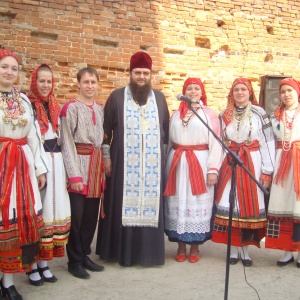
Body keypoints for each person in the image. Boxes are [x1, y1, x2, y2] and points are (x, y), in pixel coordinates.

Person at [96, 51, 170, 267]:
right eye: (137, 72)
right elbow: (105, 131)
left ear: (151, 74)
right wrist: (106, 157)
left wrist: (163, 161)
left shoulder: (159, 98)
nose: (141, 77)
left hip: (152, 169)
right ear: (130, 73)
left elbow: (165, 132)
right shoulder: (117, 97)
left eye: (145, 73)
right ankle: (120, 253)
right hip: (122, 165)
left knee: (151, 207)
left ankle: (148, 254)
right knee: (120, 205)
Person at [211, 78, 275, 266]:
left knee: (248, 206)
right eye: (236, 89)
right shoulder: (225, 114)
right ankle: (232, 250)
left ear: (250, 93)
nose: (240, 93)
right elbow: (220, 143)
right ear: (232, 93)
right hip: (230, 163)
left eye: (243, 90)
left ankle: (245, 251)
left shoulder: (259, 113)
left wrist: (267, 171)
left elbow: (268, 143)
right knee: (231, 206)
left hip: (251, 163)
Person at [0, 50, 48, 300]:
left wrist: (39, 168)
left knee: (16, 223)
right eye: (4, 67)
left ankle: (7, 281)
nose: (9, 72)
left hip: (23, 167)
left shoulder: (24, 101)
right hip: (1, 166)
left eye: (14, 68)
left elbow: (34, 137)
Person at [164, 78, 222, 263]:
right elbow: (168, 143)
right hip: (177, 163)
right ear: (184, 91)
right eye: (189, 88)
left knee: (196, 201)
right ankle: (180, 246)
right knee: (178, 201)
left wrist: (213, 169)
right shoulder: (175, 115)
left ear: (202, 92)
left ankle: (195, 248)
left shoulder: (209, 115)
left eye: (197, 88)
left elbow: (216, 144)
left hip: (200, 161)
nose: (193, 91)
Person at [25, 64, 71, 286]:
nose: (45, 85)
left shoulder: (54, 105)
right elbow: (30, 140)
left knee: (52, 214)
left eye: (49, 81)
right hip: (39, 163)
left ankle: (44, 264)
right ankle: (32, 265)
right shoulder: (28, 106)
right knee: (38, 213)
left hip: (57, 163)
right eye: (41, 81)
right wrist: (37, 167)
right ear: (34, 82)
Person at [60, 67, 105, 279]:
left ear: (97, 84)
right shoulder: (70, 108)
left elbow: (103, 139)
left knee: (90, 217)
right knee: (77, 218)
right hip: (78, 163)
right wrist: (74, 176)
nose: (89, 86)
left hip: (95, 167)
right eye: (86, 82)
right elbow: (67, 142)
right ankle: (74, 260)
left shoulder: (100, 108)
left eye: (93, 82)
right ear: (78, 83)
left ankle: (85, 254)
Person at [265, 78, 300, 268]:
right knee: (283, 205)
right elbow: (270, 141)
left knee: (298, 207)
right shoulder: (275, 115)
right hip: (281, 163)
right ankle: (287, 251)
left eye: (290, 90)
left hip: (299, 162)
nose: (286, 95)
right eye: (283, 91)